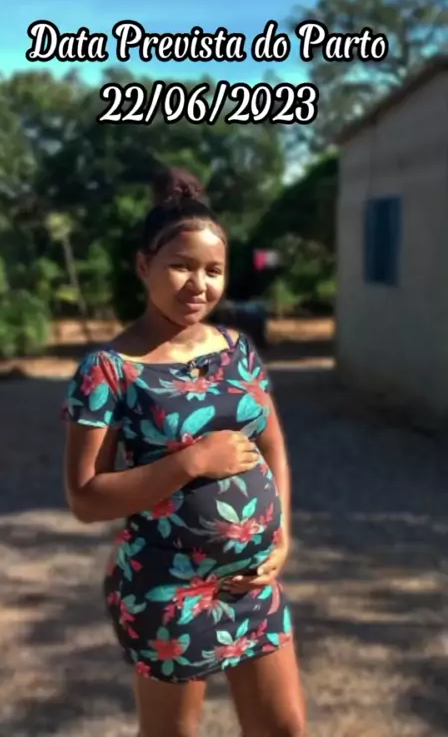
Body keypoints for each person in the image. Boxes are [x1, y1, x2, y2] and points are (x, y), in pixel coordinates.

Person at [62, 167, 306, 737]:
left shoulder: (238, 349)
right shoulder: (108, 371)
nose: (199, 284)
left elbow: (272, 447)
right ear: (143, 266)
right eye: (181, 266)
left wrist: (282, 537)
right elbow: (85, 497)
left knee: (284, 729)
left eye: (213, 270)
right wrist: (191, 463)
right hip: (168, 589)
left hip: (253, 584)